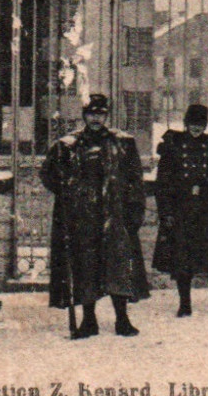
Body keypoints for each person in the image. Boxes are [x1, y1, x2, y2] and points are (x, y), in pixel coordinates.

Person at [40, 93, 149, 338]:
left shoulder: (123, 143)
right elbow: (48, 174)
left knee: (118, 267)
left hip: (115, 215)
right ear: (84, 115)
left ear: (107, 115)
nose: (96, 119)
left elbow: (135, 180)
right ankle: (89, 321)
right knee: (85, 268)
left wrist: (135, 211)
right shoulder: (68, 145)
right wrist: (67, 190)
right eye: (91, 114)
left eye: (100, 114)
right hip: (83, 218)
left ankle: (122, 319)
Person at [153, 103, 208, 316]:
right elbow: (163, 182)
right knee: (183, 258)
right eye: (192, 124)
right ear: (186, 123)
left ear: (206, 125)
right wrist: (166, 212)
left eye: (201, 124)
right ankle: (185, 304)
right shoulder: (173, 144)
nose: (196, 128)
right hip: (183, 209)